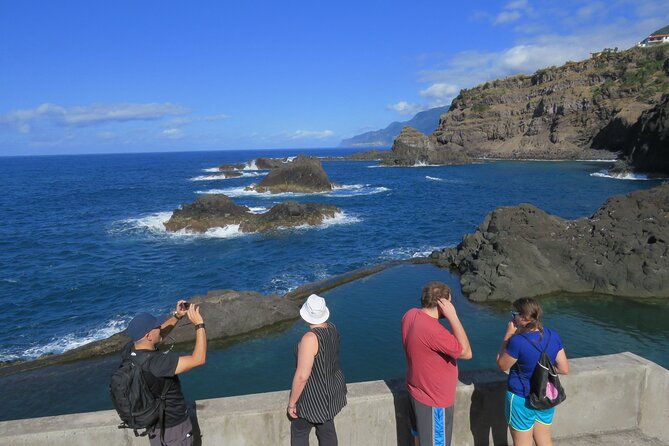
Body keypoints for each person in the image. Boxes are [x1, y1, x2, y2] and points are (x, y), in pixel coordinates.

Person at [125, 300, 207, 446]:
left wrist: (177, 316)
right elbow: (198, 359)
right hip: (174, 430)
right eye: (156, 326)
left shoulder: (131, 353)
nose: (160, 327)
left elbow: (157, 336)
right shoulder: (157, 363)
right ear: (149, 336)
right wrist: (199, 325)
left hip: (154, 427)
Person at [401, 281, 472, 446]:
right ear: (443, 304)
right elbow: (466, 352)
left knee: (419, 439)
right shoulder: (435, 331)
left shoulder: (409, 315)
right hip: (434, 402)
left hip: (416, 392)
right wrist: (453, 316)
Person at [496, 297, 570, 446]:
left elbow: (502, 365)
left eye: (514, 314)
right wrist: (540, 369)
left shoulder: (518, 341)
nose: (512, 317)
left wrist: (508, 335)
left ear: (523, 318)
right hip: (546, 395)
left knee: (522, 443)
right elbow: (564, 368)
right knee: (544, 439)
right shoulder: (553, 335)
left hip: (521, 398)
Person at [287, 294, 347, 446]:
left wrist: (292, 403)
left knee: (299, 431)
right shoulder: (332, 328)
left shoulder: (310, 339)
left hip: (313, 397)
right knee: (327, 430)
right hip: (331, 391)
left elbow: (302, 376)